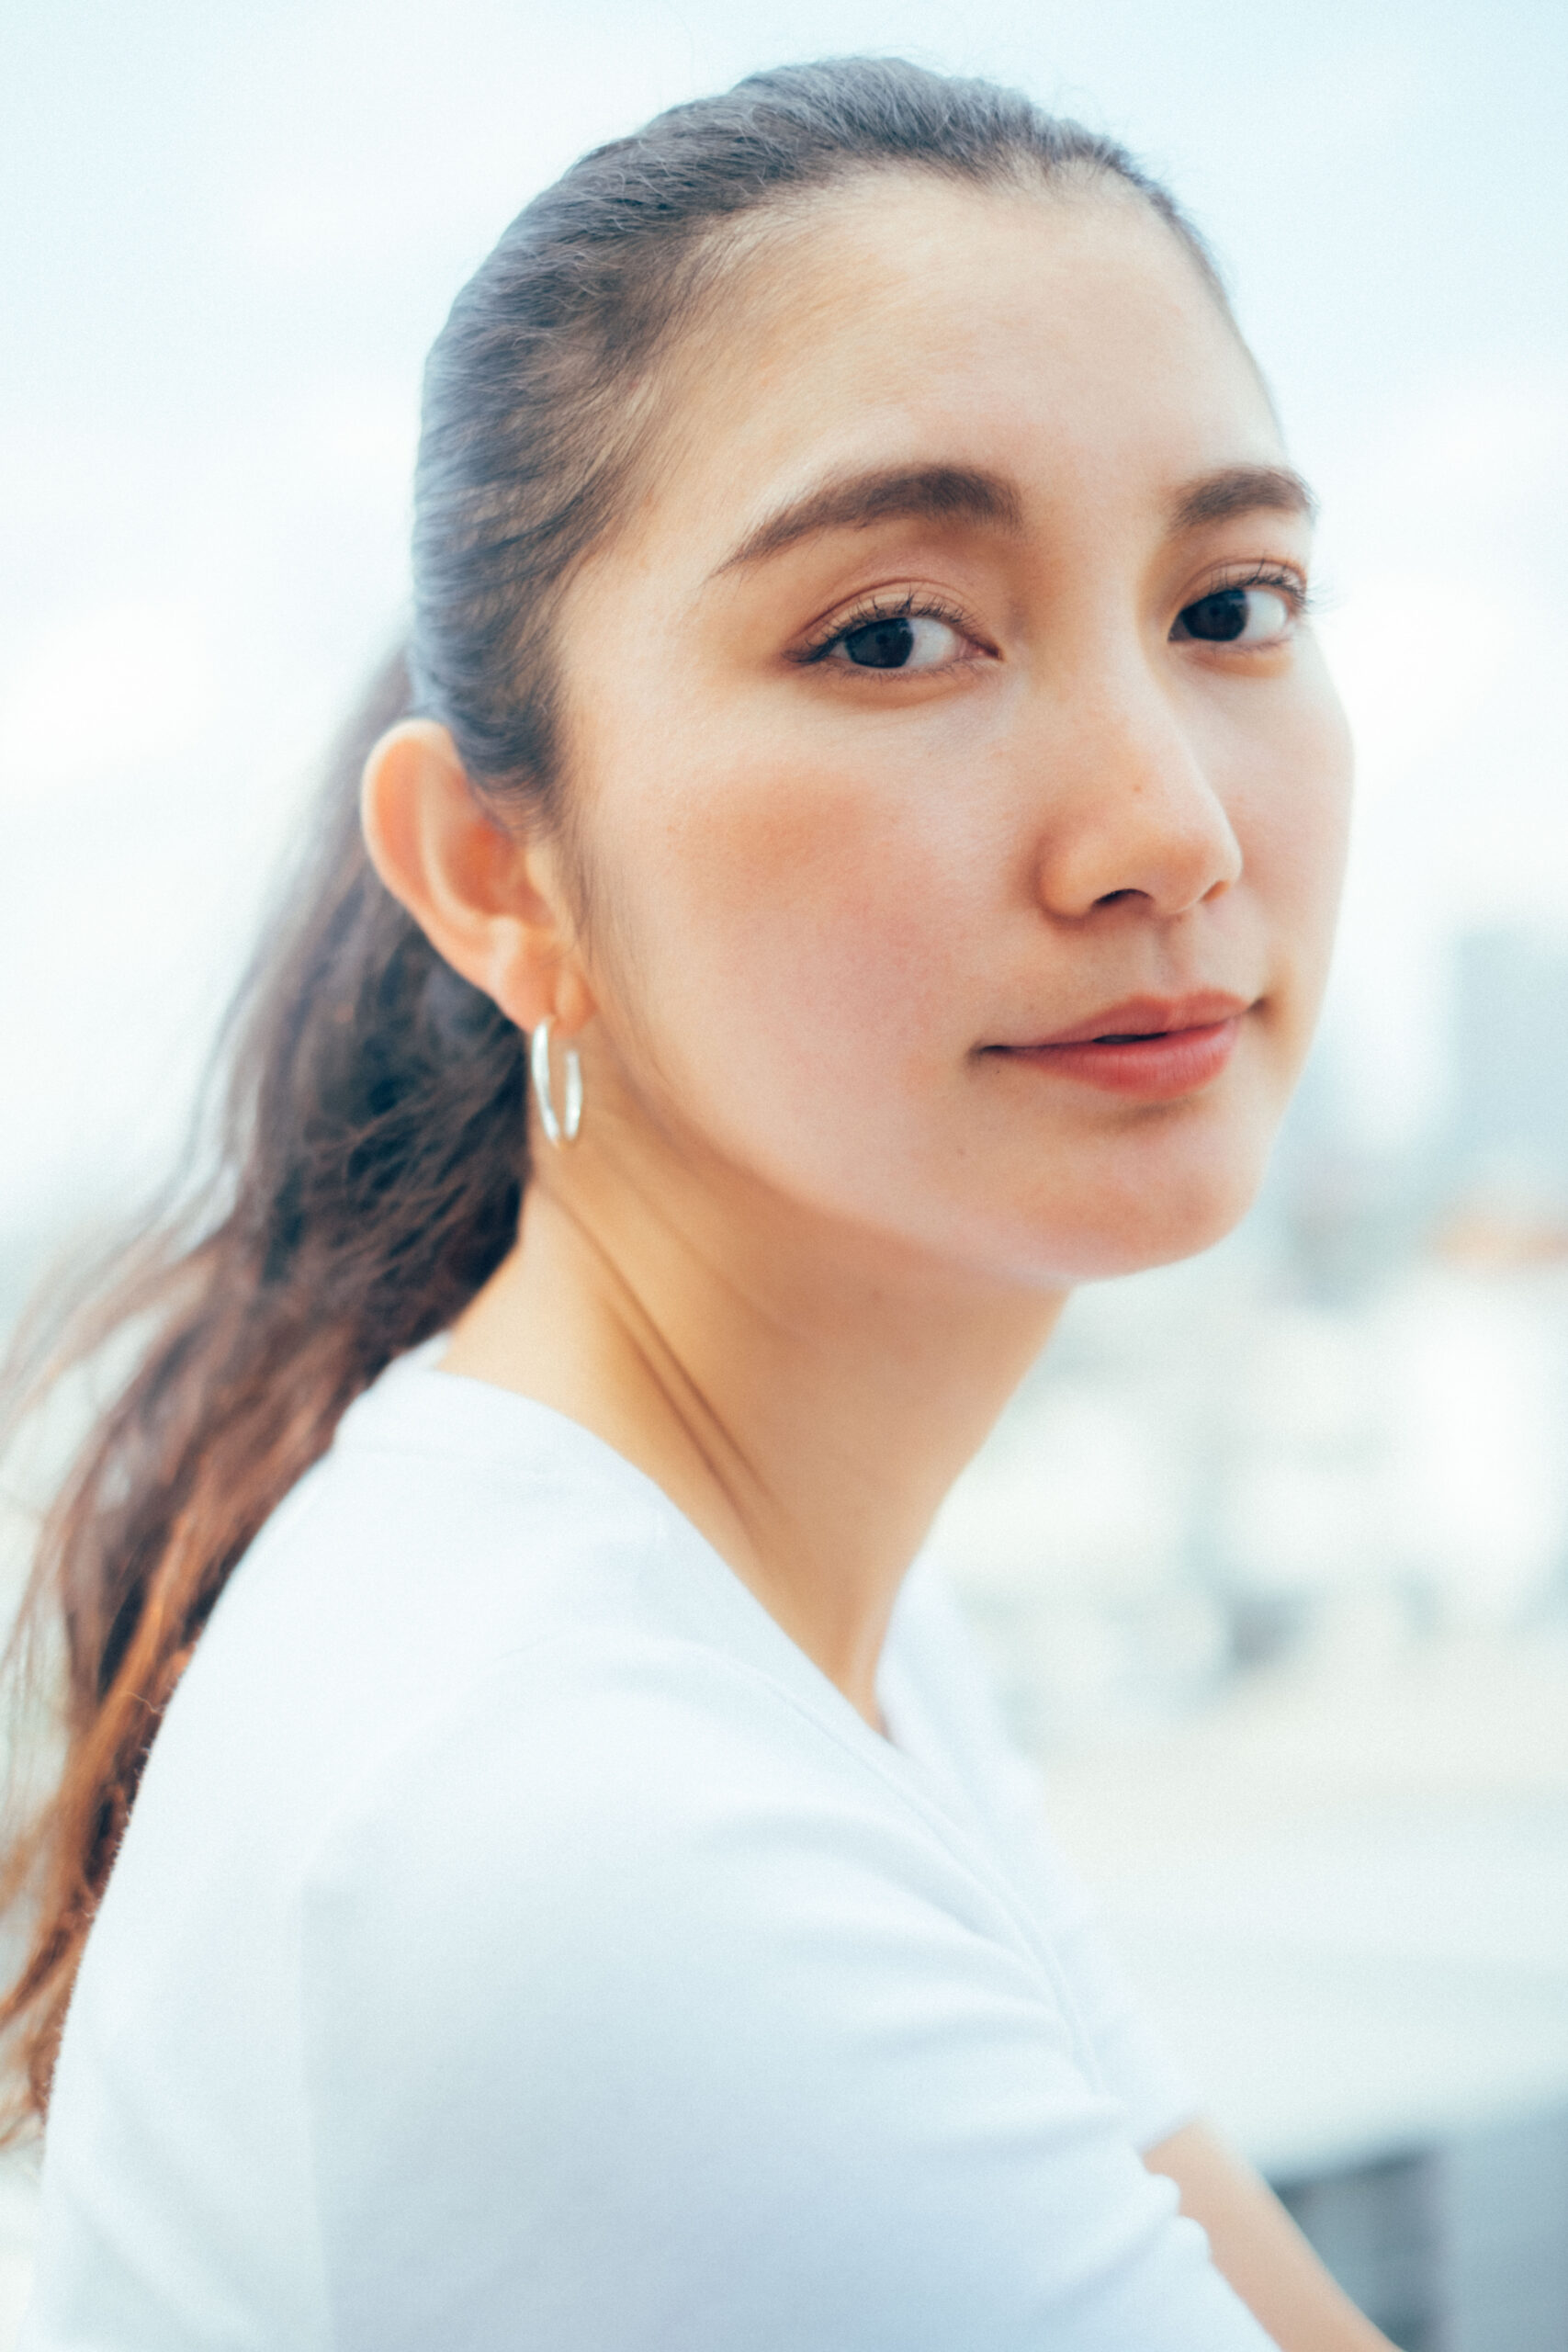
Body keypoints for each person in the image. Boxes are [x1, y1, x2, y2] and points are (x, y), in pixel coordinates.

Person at [0, 54, 1385, 2350]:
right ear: (493, 871)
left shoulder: (750, 1591)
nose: (1163, 825)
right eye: (887, 635)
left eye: (1231, 601)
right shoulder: (575, 1828)